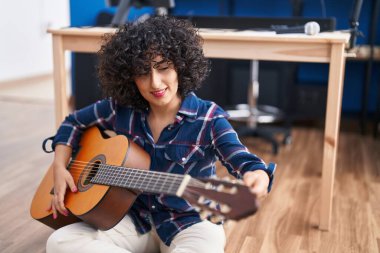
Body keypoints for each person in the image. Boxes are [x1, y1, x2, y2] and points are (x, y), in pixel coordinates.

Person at [45, 16, 275, 253]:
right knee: (59, 242)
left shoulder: (209, 117)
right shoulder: (119, 109)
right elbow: (72, 123)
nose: (155, 82)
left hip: (190, 224)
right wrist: (60, 168)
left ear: (181, 66)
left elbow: (240, 158)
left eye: (163, 68)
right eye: (143, 72)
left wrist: (257, 174)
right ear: (129, 76)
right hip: (130, 220)